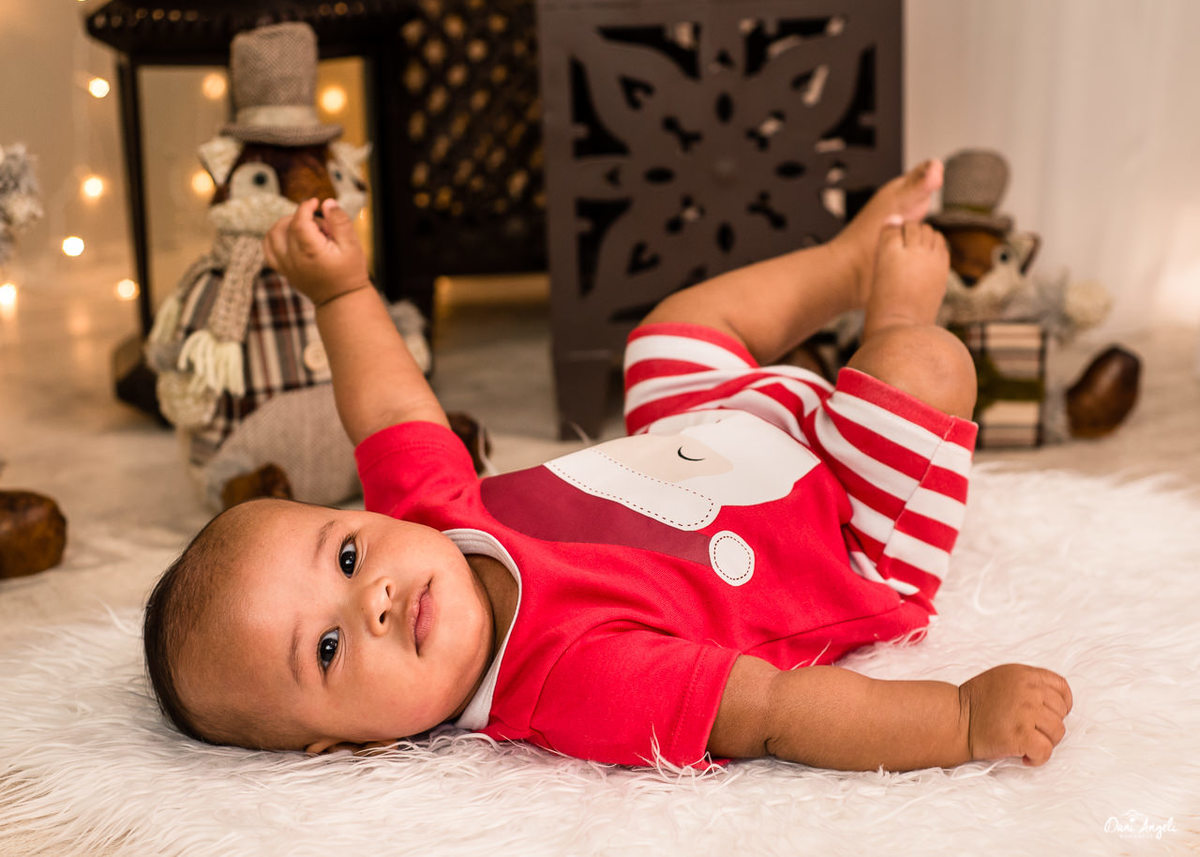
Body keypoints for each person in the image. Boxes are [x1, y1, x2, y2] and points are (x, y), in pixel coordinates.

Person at [143, 160, 1073, 771]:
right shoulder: (573, 682)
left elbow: (388, 409)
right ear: (343, 745)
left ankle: (843, 263)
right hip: (845, 524)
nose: (372, 599)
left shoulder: (425, 517)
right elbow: (777, 710)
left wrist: (342, 290)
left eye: (345, 555)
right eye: (328, 648)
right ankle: (893, 314)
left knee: (667, 334)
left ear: (362, 521)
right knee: (923, 366)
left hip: (712, 433)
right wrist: (958, 719)